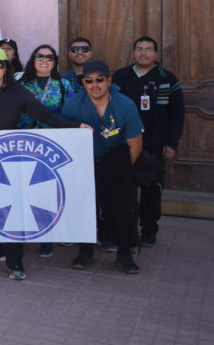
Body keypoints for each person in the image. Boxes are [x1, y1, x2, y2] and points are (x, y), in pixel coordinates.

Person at [0, 48, 84, 281]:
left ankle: (15, 262)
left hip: (9, 160)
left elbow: (44, 114)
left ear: (6, 68)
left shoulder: (18, 92)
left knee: (10, 209)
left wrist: (76, 126)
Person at [62, 60, 144, 274]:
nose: (95, 84)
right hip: (83, 163)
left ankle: (125, 253)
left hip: (116, 160)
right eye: (89, 81)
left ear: (109, 80)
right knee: (84, 208)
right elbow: (65, 140)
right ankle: (85, 251)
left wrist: (122, 172)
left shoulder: (125, 105)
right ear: (83, 83)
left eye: (100, 79)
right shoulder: (72, 105)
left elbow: (135, 144)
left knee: (122, 208)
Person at [112, 36, 185, 247]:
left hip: (154, 144)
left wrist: (172, 143)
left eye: (148, 50)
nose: (143, 53)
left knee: (151, 189)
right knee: (124, 189)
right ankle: (126, 230)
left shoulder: (167, 79)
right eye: (139, 49)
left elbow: (177, 113)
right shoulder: (121, 76)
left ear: (156, 53)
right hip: (124, 144)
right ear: (133, 52)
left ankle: (149, 229)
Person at [18, 44, 74, 257]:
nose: (44, 60)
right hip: (24, 143)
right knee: (25, 189)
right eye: (40, 56)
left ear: (55, 62)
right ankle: (23, 232)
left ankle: (47, 237)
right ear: (33, 59)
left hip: (52, 146)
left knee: (48, 191)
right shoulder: (21, 84)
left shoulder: (64, 85)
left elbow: (69, 114)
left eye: (49, 57)